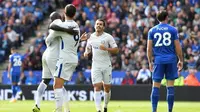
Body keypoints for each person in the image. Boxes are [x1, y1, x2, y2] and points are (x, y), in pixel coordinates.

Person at [32, 11, 81, 112]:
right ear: (59, 17)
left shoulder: (56, 27)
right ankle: (66, 110)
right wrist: (69, 30)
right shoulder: (59, 23)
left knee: (45, 81)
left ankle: (37, 105)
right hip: (53, 56)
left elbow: (48, 40)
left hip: (46, 54)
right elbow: (51, 36)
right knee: (59, 84)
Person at [49, 4, 88, 112]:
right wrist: (80, 39)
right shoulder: (76, 25)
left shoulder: (64, 25)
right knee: (60, 86)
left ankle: (58, 110)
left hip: (64, 59)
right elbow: (71, 41)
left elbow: (52, 26)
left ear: (64, 13)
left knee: (56, 85)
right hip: (73, 58)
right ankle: (66, 110)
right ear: (74, 14)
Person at [147, 10, 183, 112]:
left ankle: (154, 110)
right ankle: (170, 110)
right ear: (167, 17)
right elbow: (178, 47)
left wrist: (150, 62)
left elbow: (149, 49)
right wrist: (180, 60)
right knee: (170, 87)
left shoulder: (152, 31)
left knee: (156, 86)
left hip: (158, 60)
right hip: (171, 60)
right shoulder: (173, 30)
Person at [84, 19, 119, 112]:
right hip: (95, 65)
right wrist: (86, 53)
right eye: (97, 24)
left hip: (106, 65)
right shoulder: (90, 37)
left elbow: (116, 50)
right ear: (94, 25)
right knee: (97, 86)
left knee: (107, 87)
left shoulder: (108, 37)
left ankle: (105, 106)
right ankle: (98, 109)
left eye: (100, 24)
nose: (98, 25)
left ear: (103, 27)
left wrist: (106, 48)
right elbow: (87, 49)